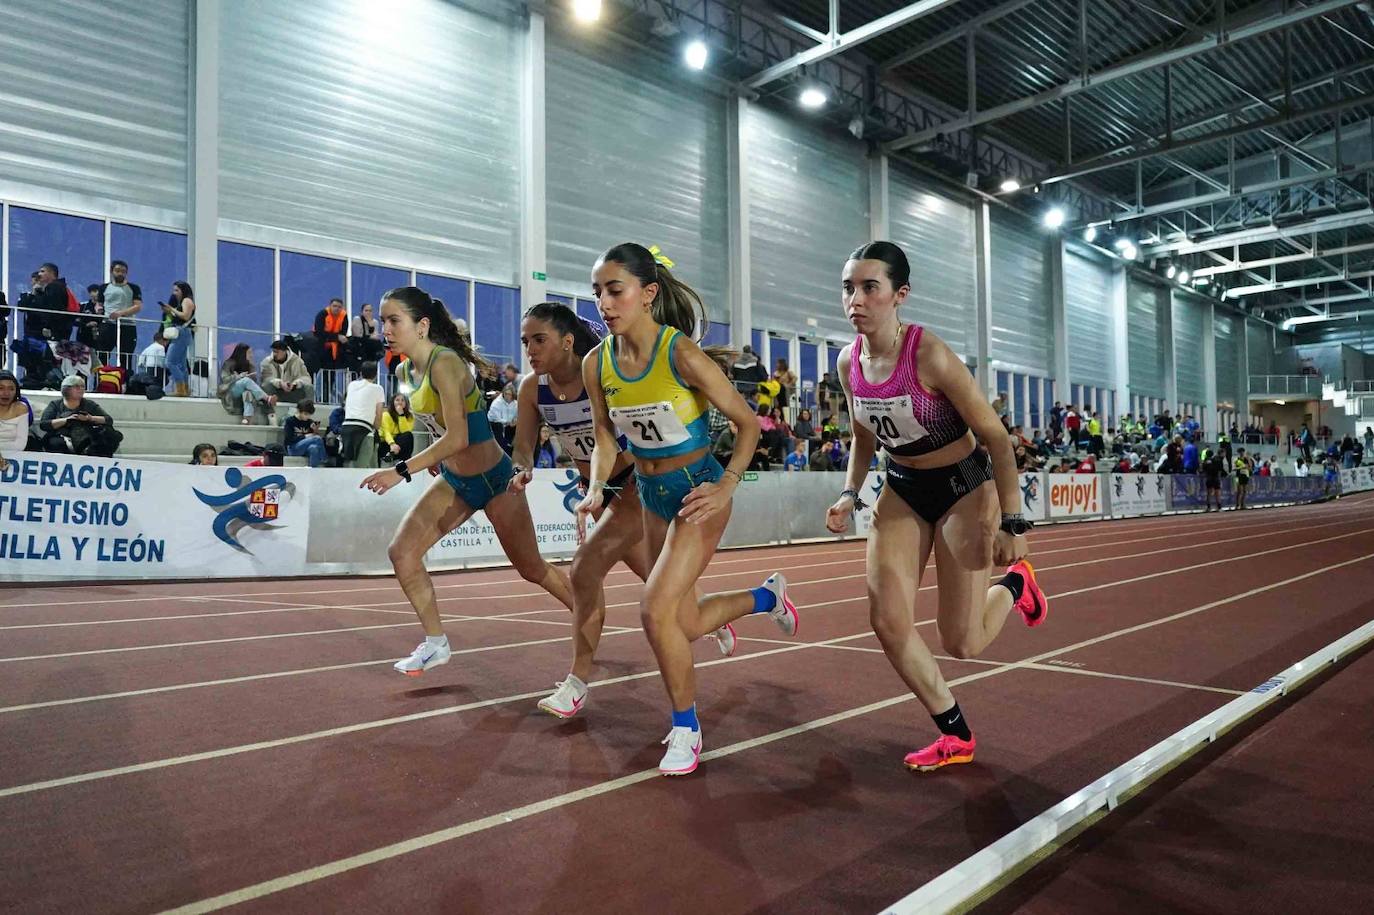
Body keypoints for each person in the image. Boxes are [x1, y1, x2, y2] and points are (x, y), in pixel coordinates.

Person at [824, 241, 1046, 774]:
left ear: (899, 295)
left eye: (869, 287)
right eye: (848, 287)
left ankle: (1015, 583)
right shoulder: (847, 361)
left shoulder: (929, 354)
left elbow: (995, 437)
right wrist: (849, 493)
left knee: (962, 641)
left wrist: (1013, 520)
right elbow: (862, 433)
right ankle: (955, 734)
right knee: (887, 620)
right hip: (902, 489)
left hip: (964, 489)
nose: (855, 299)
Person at [575, 244, 796, 776]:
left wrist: (727, 485)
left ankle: (685, 727)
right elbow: (605, 436)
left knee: (655, 611)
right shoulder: (595, 362)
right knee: (687, 620)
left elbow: (747, 424)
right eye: (597, 292)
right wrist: (597, 486)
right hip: (650, 496)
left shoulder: (680, 355)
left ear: (648, 294)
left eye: (615, 290)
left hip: (698, 492)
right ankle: (767, 597)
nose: (604, 303)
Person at [510, 302, 785, 721]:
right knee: (672, 603)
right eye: (525, 340)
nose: (530, 348)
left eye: (539, 340)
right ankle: (760, 600)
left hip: (637, 486)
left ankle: (577, 684)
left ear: (566, 342)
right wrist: (522, 468)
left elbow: (630, 427)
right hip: (601, 489)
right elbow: (524, 445)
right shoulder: (534, 389)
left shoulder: (601, 371)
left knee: (585, 570)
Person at [360, 287, 579, 677]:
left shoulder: (446, 364)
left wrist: (402, 470)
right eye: (382, 322)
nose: (385, 329)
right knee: (402, 553)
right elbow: (436, 426)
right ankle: (435, 644)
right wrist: (435, 459)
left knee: (531, 568)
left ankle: (588, 616)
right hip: (456, 482)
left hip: (496, 481)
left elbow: (459, 437)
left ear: (422, 325)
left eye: (394, 321)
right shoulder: (402, 371)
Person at [37, 375, 122, 457]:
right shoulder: (55, 404)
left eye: (82, 387)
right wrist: (66, 420)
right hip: (61, 437)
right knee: (55, 443)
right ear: (66, 389)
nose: (81, 389)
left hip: (86, 437)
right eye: (77, 387)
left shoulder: (89, 404)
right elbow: (44, 424)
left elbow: (108, 420)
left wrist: (90, 418)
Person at [97, 260, 143, 369]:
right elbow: (100, 304)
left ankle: (126, 383)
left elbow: (138, 306)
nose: (120, 273)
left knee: (125, 358)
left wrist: (121, 313)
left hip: (127, 325)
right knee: (103, 355)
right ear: (112, 271)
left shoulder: (134, 288)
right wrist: (99, 311)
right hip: (107, 324)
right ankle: (100, 382)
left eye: (123, 271)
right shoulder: (103, 287)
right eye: (117, 271)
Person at [218, 343, 276, 425]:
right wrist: (238, 377)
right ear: (242, 353)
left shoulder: (250, 364)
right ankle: (267, 398)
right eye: (249, 352)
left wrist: (252, 374)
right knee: (245, 380)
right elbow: (224, 379)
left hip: (244, 390)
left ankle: (247, 418)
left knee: (247, 393)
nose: (251, 355)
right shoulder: (229, 363)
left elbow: (253, 384)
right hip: (230, 390)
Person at [341, 361, 386, 464]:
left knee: (349, 464)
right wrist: (376, 428)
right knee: (362, 467)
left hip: (347, 426)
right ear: (375, 374)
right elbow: (379, 413)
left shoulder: (352, 385)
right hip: (363, 427)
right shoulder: (378, 389)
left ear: (361, 373)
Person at [160, 282, 196, 397]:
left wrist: (172, 309)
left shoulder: (187, 301)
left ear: (183, 290)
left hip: (182, 333)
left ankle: (180, 388)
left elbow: (185, 316)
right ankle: (185, 388)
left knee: (170, 361)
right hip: (182, 332)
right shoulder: (183, 302)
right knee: (181, 363)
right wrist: (169, 311)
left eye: (176, 290)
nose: (174, 293)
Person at [261, 338, 316, 404]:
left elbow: (306, 378)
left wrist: (295, 384)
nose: (275, 354)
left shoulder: (297, 361)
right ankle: (269, 411)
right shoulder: (267, 362)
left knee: (309, 387)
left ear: (285, 351)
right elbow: (266, 379)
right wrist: (280, 383)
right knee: (266, 385)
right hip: (276, 392)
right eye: (274, 351)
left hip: (294, 392)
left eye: (277, 352)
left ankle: (308, 410)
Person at [0, 370, 30, 471]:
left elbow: (20, 444)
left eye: (11, 389)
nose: (6, 393)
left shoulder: (21, 408)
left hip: (14, 457)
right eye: (1, 388)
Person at [283, 400, 327, 468]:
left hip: (306, 447)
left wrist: (315, 430)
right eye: (305, 414)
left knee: (314, 448)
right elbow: (289, 440)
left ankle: (312, 470)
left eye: (309, 414)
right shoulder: (290, 421)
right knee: (316, 438)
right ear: (299, 411)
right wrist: (305, 436)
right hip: (293, 448)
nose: (308, 417)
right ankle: (324, 459)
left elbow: (316, 440)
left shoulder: (309, 422)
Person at [379, 393, 415, 463]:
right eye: (397, 400)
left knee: (408, 436)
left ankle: (406, 463)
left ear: (406, 403)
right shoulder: (386, 415)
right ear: (393, 402)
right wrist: (392, 444)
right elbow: (386, 432)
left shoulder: (410, 417)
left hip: (399, 445)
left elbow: (405, 432)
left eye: (402, 400)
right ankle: (391, 455)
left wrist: (401, 415)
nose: (400, 402)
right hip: (386, 444)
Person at [314, 298, 350, 368]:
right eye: (334, 306)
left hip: (335, 344)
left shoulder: (344, 316)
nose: (337, 308)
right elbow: (319, 332)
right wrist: (336, 337)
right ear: (330, 306)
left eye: (339, 307)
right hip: (320, 341)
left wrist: (338, 338)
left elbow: (343, 332)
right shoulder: (322, 314)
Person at [487, 383, 519, 452]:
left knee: (519, 427)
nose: (507, 396)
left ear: (513, 395)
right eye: (506, 394)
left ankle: (513, 447)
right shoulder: (497, 403)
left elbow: (518, 415)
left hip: (508, 425)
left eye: (509, 394)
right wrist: (508, 422)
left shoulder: (516, 404)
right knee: (499, 426)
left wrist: (515, 421)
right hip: (495, 424)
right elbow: (496, 418)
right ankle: (503, 449)